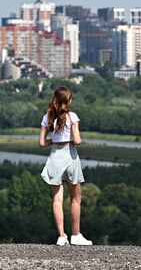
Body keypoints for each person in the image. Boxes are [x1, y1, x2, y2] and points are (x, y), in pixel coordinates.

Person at [38, 86, 92, 246]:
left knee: (57, 199)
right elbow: (78, 141)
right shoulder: (72, 116)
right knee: (75, 198)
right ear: (68, 101)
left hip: (55, 156)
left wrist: (53, 141)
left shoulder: (47, 117)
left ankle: (62, 236)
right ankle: (76, 235)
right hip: (70, 156)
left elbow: (41, 143)